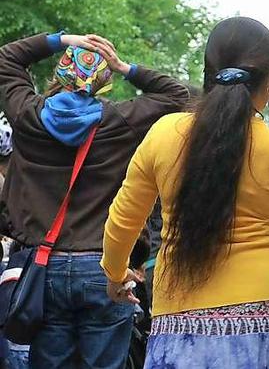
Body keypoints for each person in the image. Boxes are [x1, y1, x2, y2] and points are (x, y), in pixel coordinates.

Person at [100, 16, 269, 368]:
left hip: (177, 311)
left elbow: (123, 219)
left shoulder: (164, 134)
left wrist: (115, 275)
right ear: (268, 84)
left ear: (208, 74)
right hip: (262, 313)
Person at [0, 31, 188, 367]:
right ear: (103, 83)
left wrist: (63, 39)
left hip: (44, 269)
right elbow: (176, 93)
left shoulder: (27, 115)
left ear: (58, 74)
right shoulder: (119, 122)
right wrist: (124, 66)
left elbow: (7, 58)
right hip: (104, 269)